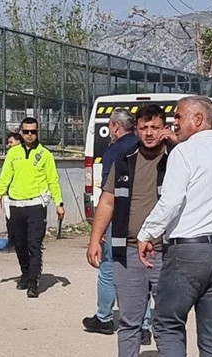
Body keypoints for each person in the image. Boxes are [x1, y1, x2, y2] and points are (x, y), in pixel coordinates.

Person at [137, 96, 212, 357]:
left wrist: (147, 232)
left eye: (179, 117)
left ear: (197, 120)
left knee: (168, 323)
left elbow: (171, 201)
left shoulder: (184, 151)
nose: (175, 124)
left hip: (188, 251)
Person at [87, 104, 171, 355]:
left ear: (164, 128)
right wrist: (95, 239)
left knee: (167, 324)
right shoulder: (124, 161)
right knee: (129, 322)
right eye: (143, 127)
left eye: (154, 127)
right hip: (129, 251)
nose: (148, 133)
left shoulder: (177, 158)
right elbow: (107, 200)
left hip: (166, 252)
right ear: (135, 130)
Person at [0, 117, 64, 298]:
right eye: (26, 131)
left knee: (34, 244)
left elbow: (53, 180)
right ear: (21, 133)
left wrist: (58, 203)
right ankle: (25, 273)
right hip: (16, 205)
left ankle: (33, 281)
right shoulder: (13, 153)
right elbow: (5, 177)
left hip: (36, 205)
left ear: (38, 132)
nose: (30, 135)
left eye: (33, 131)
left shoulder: (45, 154)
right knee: (19, 244)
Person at [83, 108, 142, 336]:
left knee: (107, 266)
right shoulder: (144, 147)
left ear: (116, 127)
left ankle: (104, 317)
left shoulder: (114, 152)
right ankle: (144, 324)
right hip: (142, 218)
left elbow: (109, 193)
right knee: (141, 269)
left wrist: (100, 230)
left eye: (111, 126)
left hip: (117, 218)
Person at [1, 132, 24, 251]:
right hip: (10, 192)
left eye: (11, 142)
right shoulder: (11, 154)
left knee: (17, 220)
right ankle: (12, 241)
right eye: (8, 143)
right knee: (10, 219)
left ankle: (16, 243)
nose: (9, 145)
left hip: (21, 193)